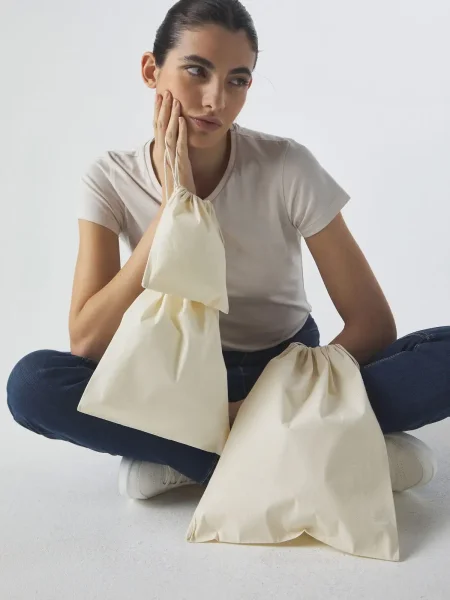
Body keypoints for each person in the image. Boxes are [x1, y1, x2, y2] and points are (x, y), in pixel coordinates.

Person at [6, 0, 449, 501]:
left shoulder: (286, 165)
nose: (216, 99)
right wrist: (174, 211)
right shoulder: (109, 178)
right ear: (151, 71)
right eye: (197, 71)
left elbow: (372, 323)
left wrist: (278, 395)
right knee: (34, 384)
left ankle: (191, 454)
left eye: (237, 80)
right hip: (175, 381)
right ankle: (317, 450)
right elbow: (88, 342)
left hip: (287, 371)